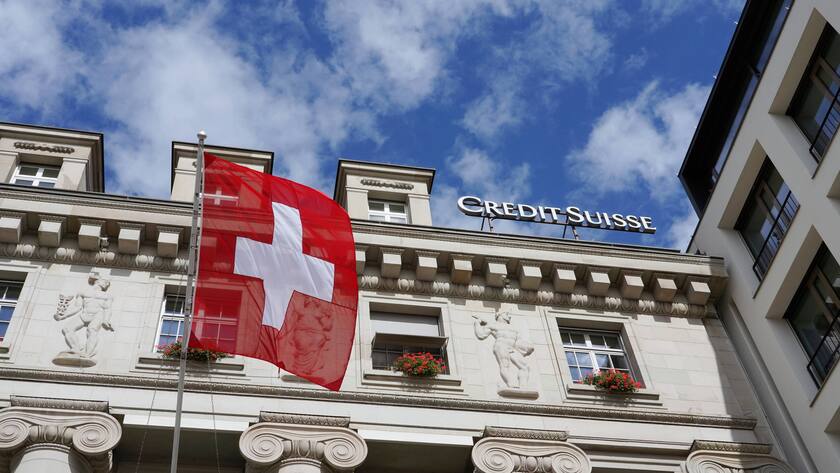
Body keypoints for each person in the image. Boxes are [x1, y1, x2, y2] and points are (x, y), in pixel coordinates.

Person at [55, 271, 113, 358]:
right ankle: (76, 348)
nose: (107, 284)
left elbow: (108, 309)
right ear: (97, 281)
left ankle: (87, 353)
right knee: (67, 329)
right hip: (84, 314)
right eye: (105, 281)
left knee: (92, 330)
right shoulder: (83, 292)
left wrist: (106, 320)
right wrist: (64, 315)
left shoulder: (107, 296)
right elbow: (77, 307)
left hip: (97, 315)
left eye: (108, 283)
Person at [473, 311, 533, 389]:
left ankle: (523, 386)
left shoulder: (514, 328)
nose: (509, 316)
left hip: (512, 348)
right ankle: (511, 384)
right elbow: (481, 335)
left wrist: (527, 347)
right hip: (501, 346)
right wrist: (477, 323)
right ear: (500, 315)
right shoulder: (493, 325)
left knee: (525, 367)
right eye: (506, 314)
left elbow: (518, 342)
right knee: (505, 365)